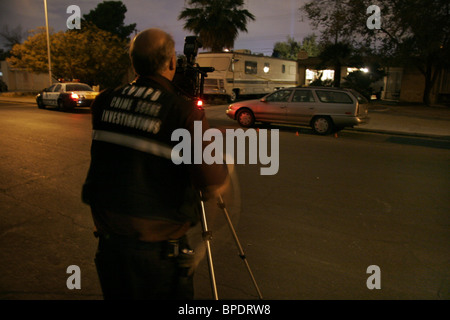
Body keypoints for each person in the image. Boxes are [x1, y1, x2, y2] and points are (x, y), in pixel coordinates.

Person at [82, 28, 228, 300]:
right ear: (172, 63)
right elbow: (211, 186)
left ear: (133, 62)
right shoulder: (184, 112)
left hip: (110, 249)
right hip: (159, 259)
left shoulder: (103, 102)